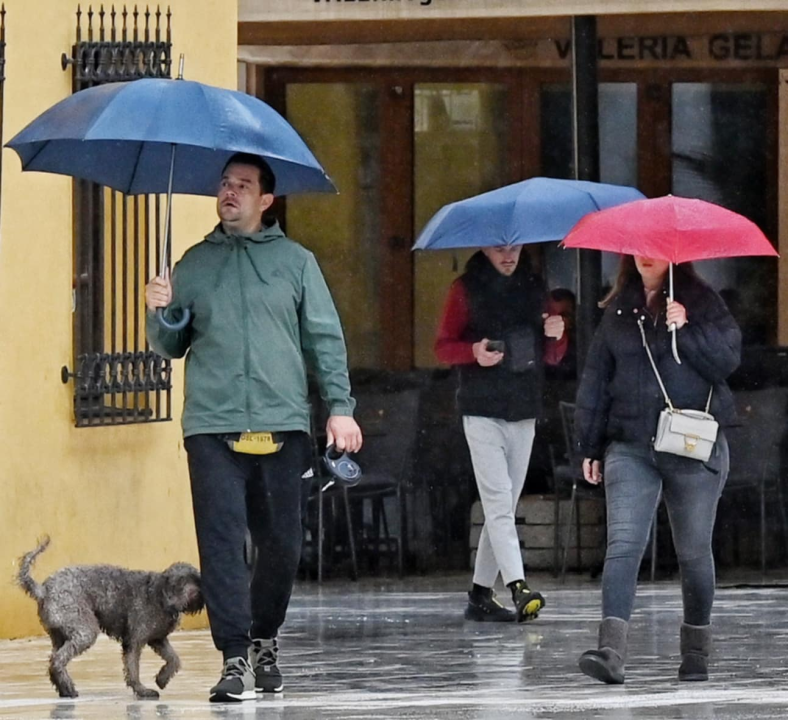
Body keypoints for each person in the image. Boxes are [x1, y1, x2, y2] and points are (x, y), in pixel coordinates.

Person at [145, 153, 362, 703]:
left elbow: (325, 339)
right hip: (212, 425)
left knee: (282, 544)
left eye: (243, 185)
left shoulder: (296, 262)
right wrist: (159, 311)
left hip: (282, 423)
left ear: (266, 200)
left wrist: (340, 406)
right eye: (224, 184)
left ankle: (265, 635)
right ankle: (235, 655)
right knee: (220, 545)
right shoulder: (193, 263)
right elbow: (172, 344)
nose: (230, 193)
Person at [574, 256, 741, 684]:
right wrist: (589, 446)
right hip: (630, 444)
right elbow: (596, 378)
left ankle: (696, 651)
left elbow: (727, 362)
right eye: (638, 245)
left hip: (691, 443)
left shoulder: (703, 302)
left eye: (655, 245)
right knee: (624, 544)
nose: (646, 253)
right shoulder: (618, 309)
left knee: (693, 553)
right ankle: (611, 650)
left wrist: (687, 328)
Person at [434, 246, 566, 623]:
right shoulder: (465, 289)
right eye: (498, 247)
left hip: (524, 407)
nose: (508, 254)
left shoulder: (535, 287)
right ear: (483, 247)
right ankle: (518, 586)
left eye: (514, 246)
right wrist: (472, 351)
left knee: (503, 506)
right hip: (480, 409)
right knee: (497, 499)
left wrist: (556, 335)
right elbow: (443, 347)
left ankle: (479, 594)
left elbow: (553, 356)